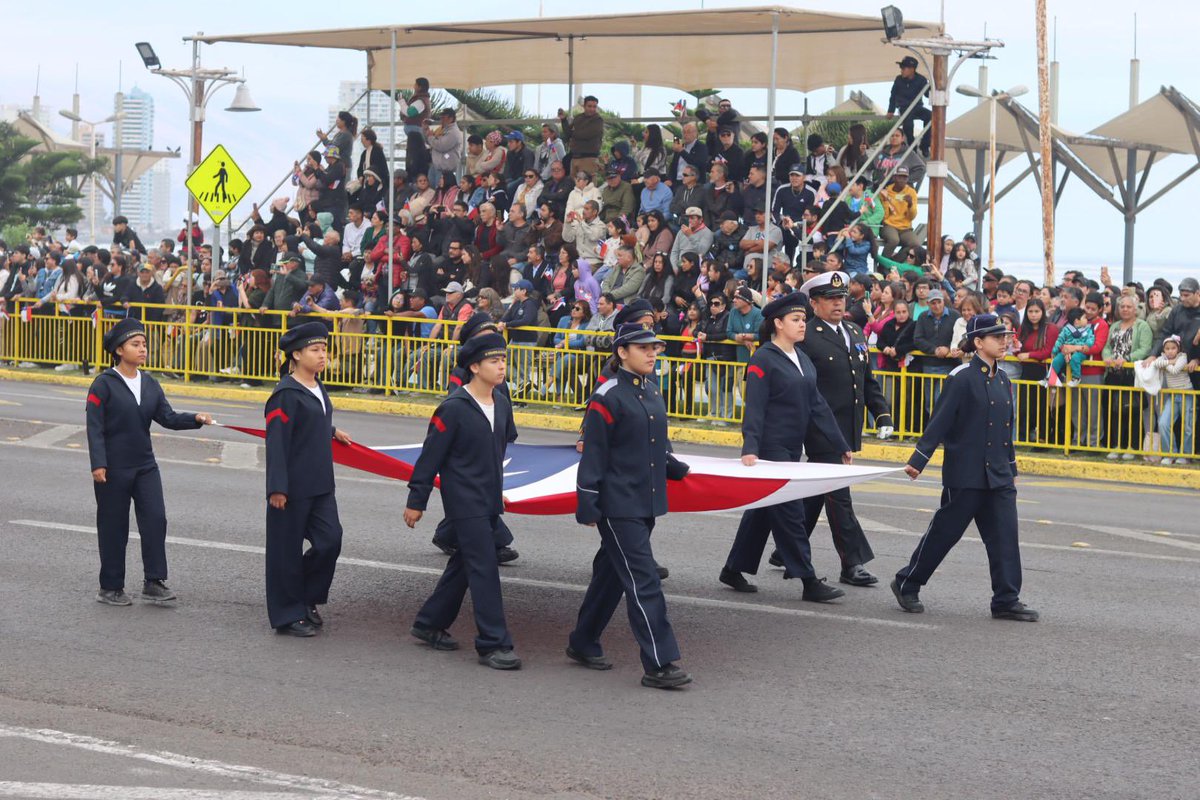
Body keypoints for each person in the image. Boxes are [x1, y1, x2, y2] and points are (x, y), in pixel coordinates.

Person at [892, 314, 1038, 622]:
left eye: (1005, 336)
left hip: (997, 473)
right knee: (944, 533)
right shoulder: (961, 377)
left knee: (1005, 536)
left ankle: (1006, 599)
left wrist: (1010, 466)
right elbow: (940, 421)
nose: (1004, 341)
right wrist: (919, 459)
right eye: (997, 337)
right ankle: (907, 582)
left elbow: (1004, 428)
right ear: (978, 342)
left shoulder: (1002, 379)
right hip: (967, 472)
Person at [570, 322, 693, 689]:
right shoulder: (606, 396)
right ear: (622, 352)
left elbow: (655, 446)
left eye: (654, 347)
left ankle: (582, 640)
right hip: (618, 503)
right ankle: (659, 662)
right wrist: (588, 503)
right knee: (644, 580)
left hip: (647, 499)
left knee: (611, 576)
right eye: (643, 348)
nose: (652, 353)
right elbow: (594, 454)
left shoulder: (652, 391)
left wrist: (678, 469)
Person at [763, 271, 893, 586]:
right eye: (830, 298)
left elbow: (865, 379)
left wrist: (882, 413)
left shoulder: (855, 331)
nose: (837, 303)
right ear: (815, 302)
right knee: (837, 493)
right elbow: (802, 382)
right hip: (820, 424)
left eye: (841, 297)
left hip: (848, 425)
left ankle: (785, 550)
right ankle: (852, 563)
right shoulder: (808, 334)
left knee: (816, 491)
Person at [719, 293, 851, 601]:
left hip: (792, 448)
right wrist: (750, 447)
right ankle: (808, 580)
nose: (802, 324)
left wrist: (839, 443)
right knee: (790, 512)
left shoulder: (801, 358)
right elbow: (755, 407)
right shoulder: (764, 358)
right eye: (796, 320)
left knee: (764, 511)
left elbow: (818, 405)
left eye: (804, 319)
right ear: (778, 323)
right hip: (771, 449)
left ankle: (733, 567)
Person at [405, 333, 522, 670]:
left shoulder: (501, 402)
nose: (501, 367)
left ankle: (429, 622)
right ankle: (493, 643)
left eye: (503, 360)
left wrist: (497, 487)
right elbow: (430, 456)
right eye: (493, 361)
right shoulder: (454, 407)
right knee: (484, 566)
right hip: (464, 501)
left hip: (488, 498)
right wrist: (418, 500)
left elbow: (497, 450)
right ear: (474, 366)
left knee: (465, 565)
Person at [86, 318, 214, 606]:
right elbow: (94, 426)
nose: (142, 349)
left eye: (144, 344)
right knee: (113, 526)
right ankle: (110, 586)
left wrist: (195, 419)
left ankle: (154, 581)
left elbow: (167, 417)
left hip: (145, 465)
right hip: (113, 467)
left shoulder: (150, 383)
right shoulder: (103, 384)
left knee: (156, 519)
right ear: (119, 350)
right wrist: (98, 463)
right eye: (135, 344)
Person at [263, 322, 352, 636]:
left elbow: (311, 419)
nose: (322, 355)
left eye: (324, 349)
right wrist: (276, 487)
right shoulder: (285, 394)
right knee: (284, 552)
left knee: (330, 541)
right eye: (315, 350)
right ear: (296, 354)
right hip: (291, 487)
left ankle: (306, 595)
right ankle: (287, 615)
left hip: (321, 485)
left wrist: (331, 430)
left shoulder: (317, 385)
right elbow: (276, 442)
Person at [1153, 336, 1195, 464]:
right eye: (1167, 349)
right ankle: (1170, 454)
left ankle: (1186, 455)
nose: (1170, 351)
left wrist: (1167, 365)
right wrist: (1169, 362)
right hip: (1172, 394)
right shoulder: (1163, 357)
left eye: (1173, 348)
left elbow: (1176, 370)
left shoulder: (1183, 356)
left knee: (1188, 426)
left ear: (1178, 348)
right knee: (1163, 423)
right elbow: (1156, 363)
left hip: (1186, 392)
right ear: (1163, 350)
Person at [888, 56, 932, 156]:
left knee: (931, 116)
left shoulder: (921, 80)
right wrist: (891, 110)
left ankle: (925, 145)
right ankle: (912, 146)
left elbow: (927, 94)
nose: (901, 70)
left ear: (912, 69)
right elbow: (893, 95)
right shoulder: (898, 79)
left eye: (903, 68)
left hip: (917, 107)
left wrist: (932, 87)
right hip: (904, 108)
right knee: (908, 123)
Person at [559, 96, 605, 179]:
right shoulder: (578, 118)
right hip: (575, 157)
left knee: (588, 187)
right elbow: (568, 133)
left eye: (594, 106)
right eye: (589, 106)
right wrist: (563, 120)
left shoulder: (598, 120)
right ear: (584, 106)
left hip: (589, 158)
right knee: (574, 187)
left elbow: (586, 135)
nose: (592, 109)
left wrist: (574, 133)